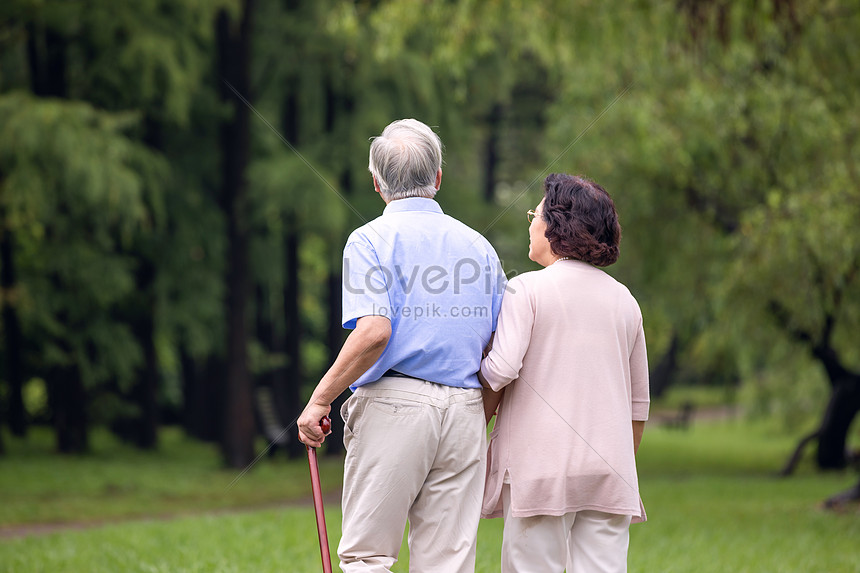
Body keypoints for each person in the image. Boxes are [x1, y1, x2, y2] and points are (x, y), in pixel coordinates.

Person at [298, 118, 506, 573]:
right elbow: (498, 349)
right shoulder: (481, 248)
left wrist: (319, 400)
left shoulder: (369, 240)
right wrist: (479, 414)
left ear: (377, 183)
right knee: (447, 564)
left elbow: (374, 332)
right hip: (466, 408)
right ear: (437, 178)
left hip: (395, 406)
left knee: (368, 557)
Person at [480, 173, 649, 573]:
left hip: (540, 469)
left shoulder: (527, 291)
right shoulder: (625, 300)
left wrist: (475, 365)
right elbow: (637, 407)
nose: (530, 223)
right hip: (610, 471)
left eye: (534, 215)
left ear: (557, 226)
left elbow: (501, 369)